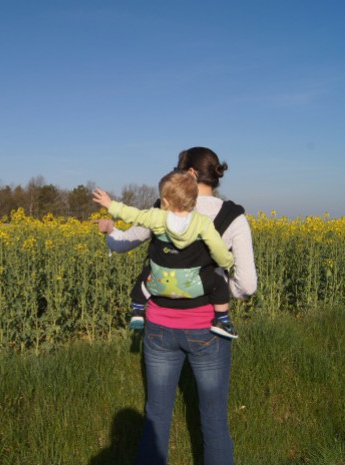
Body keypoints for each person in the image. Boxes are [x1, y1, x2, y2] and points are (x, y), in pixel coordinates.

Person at [96, 147, 257, 465]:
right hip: (208, 328)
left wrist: (110, 231)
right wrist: (222, 293)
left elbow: (123, 241)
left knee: (155, 414)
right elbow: (248, 284)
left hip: (159, 328)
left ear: (192, 175)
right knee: (213, 418)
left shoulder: (162, 210)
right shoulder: (233, 217)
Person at [92, 170, 238, 338]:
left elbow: (134, 216)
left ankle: (138, 310)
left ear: (166, 201)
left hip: (159, 283)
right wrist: (226, 263)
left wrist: (111, 205)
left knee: (145, 275)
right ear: (193, 200)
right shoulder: (202, 222)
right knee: (219, 281)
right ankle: (222, 320)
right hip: (195, 285)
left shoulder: (157, 217)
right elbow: (217, 248)